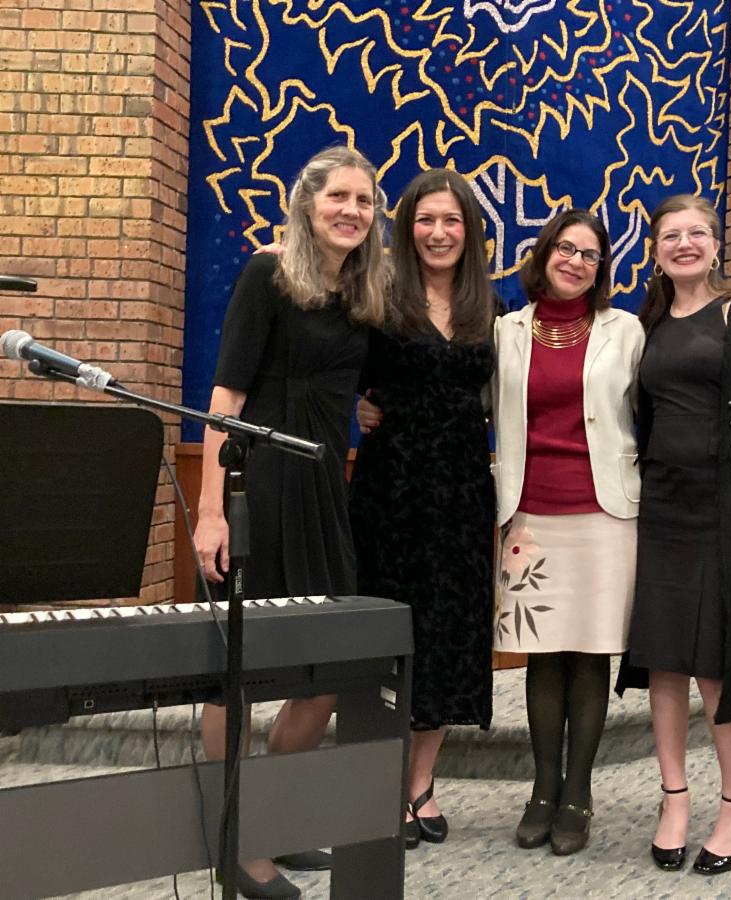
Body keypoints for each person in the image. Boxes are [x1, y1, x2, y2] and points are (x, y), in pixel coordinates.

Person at [194, 145, 390, 900]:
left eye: (364, 200)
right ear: (307, 202)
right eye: (338, 196)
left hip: (323, 489)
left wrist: (361, 409)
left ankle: (269, 818)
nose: (351, 210)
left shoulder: (362, 292)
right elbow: (225, 397)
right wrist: (212, 511)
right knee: (237, 674)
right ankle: (234, 840)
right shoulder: (267, 275)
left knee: (326, 672)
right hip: (260, 485)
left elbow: (351, 382)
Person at [618, 194, 731, 876]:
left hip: (728, 509)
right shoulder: (649, 321)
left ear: (716, 244)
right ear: (656, 250)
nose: (685, 244)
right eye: (671, 235)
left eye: (697, 233)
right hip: (662, 505)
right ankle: (674, 800)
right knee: (664, 656)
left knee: (718, 664)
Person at [351, 168, 499, 850]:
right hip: (391, 491)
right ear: (406, 227)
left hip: (461, 496)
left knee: (445, 635)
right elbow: (329, 366)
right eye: (426, 220)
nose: (439, 232)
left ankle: (420, 783)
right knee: (389, 634)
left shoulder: (489, 307)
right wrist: (355, 406)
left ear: (470, 231)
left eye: (452, 221)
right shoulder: (376, 294)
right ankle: (379, 785)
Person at [491, 209, 644, 855]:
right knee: (543, 651)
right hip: (529, 514)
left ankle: (578, 792)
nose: (575, 261)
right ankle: (542, 788)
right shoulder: (505, 331)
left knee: (589, 652)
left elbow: (658, 409)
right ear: (544, 253)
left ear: (601, 266)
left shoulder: (626, 330)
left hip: (605, 514)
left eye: (589, 253)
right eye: (565, 248)